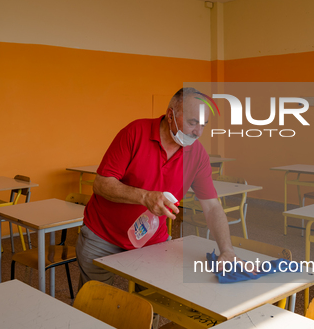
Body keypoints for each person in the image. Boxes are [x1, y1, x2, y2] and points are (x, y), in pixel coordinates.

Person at [76, 87, 243, 286]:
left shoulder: (197, 155)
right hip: (103, 235)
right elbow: (101, 184)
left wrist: (227, 250)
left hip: (151, 241)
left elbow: (212, 207)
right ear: (170, 115)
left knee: (152, 300)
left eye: (203, 125)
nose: (198, 132)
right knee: (95, 303)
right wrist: (144, 197)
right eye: (192, 122)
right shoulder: (135, 132)